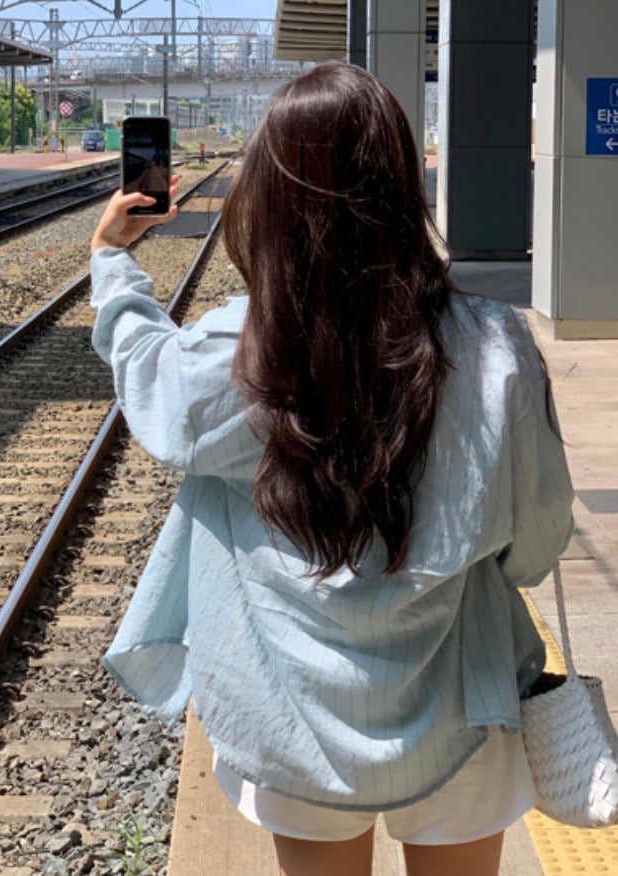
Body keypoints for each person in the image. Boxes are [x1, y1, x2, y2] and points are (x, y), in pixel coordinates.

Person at [89, 62, 574, 876]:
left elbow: (150, 376)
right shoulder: (494, 347)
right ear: (400, 185)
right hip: (460, 704)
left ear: (268, 200)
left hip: (290, 716)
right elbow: (533, 543)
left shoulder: (236, 352)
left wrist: (112, 260)